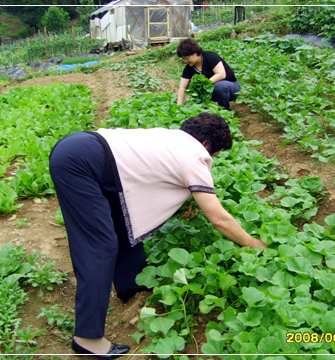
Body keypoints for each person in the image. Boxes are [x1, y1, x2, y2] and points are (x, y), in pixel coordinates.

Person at [49, 113, 266, 359]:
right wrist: (252, 242)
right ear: (207, 144)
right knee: (99, 246)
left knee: (123, 220)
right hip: (79, 164)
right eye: (215, 153)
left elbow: (153, 176)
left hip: (84, 149)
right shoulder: (194, 156)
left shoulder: (174, 139)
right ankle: (87, 338)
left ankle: (130, 281)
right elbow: (219, 218)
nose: (212, 159)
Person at [176, 38, 241, 111]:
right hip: (213, 93)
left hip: (232, 89)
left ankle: (225, 111)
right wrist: (179, 107)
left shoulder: (210, 56)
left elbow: (221, 74)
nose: (186, 61)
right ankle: (203, 111)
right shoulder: (189, 67)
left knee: (219, 86)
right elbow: (182, 87)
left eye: (187, 58)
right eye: (183, 59)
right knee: (192, 86)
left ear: (195, 53)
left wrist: (204, 84)